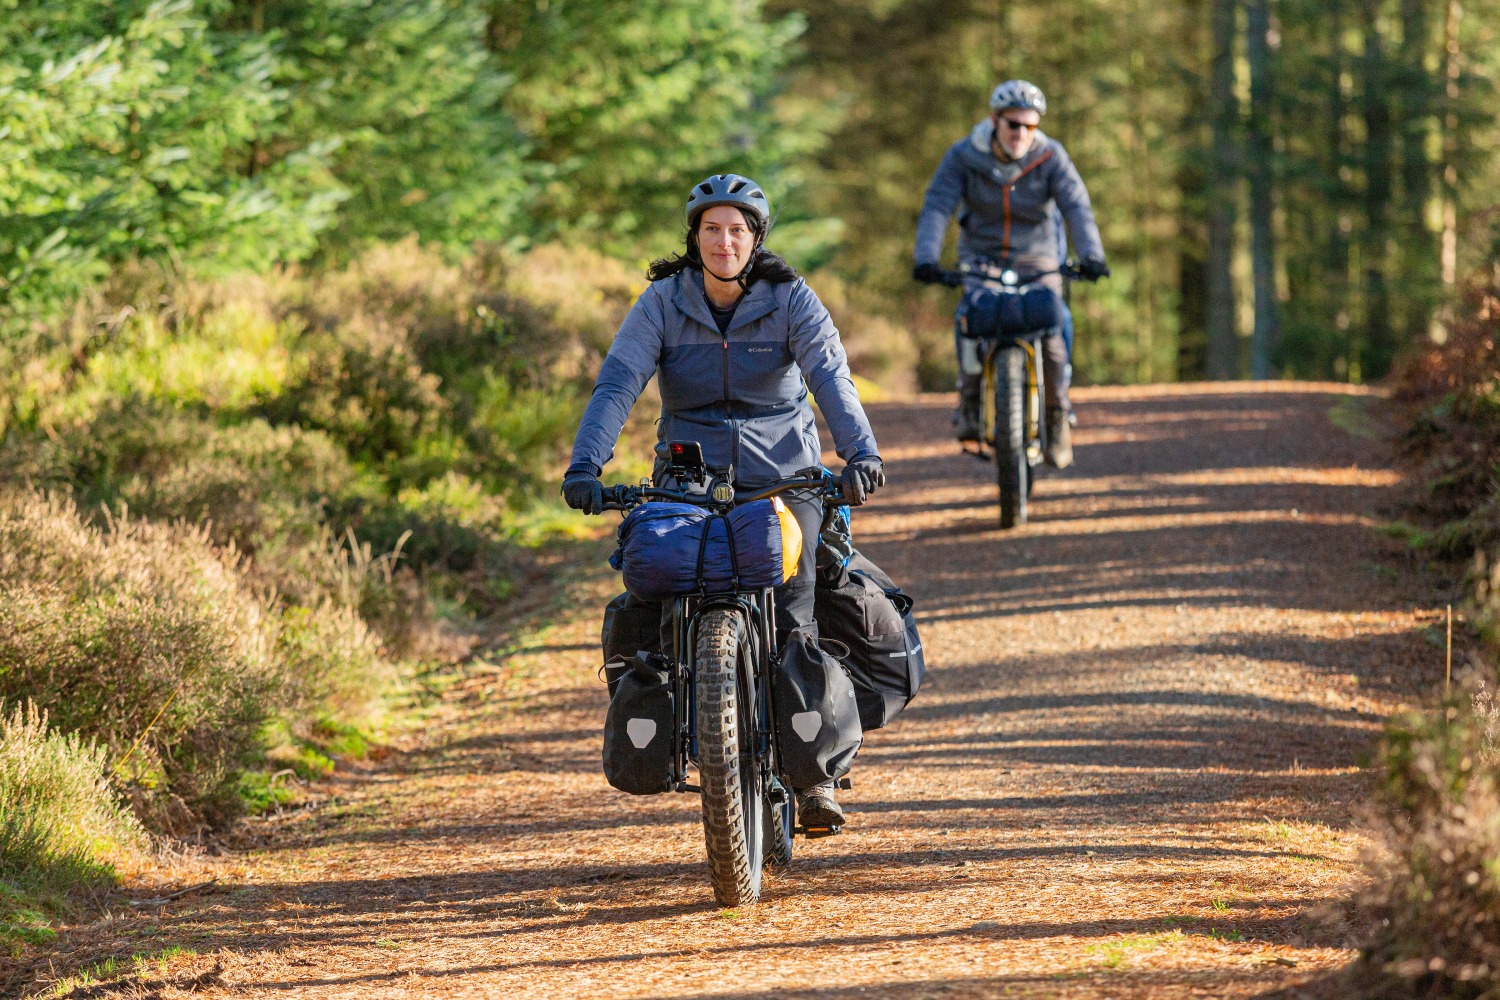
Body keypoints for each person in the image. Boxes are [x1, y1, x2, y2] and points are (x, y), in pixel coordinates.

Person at [561, 173, 884, 828]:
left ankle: (814, 774)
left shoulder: (791, 298)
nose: (724, 240)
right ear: (694, 236)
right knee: (654, 590)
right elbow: (619, 380)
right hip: (687, 475)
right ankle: (675, 714)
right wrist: (586, 464)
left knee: (794, 603)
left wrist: (861, 454)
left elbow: (829, 374)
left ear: (756, 239)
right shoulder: (661, 302)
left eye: (737, 229)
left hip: (784, 476)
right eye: (712, 228)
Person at [912, 79, 1108, 468]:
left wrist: (1091, 255)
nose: (1021, 133)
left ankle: (1057, 414)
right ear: (994, 120)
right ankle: (969, 401)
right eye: (1013, 124)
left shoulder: (1051, 156)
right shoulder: (964, 156)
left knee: (1055, 323)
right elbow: (938, 205)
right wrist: (927, 258)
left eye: (1030, 126)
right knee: (968, 319)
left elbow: (1076, 206)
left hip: (1039, 259)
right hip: (981, 259)